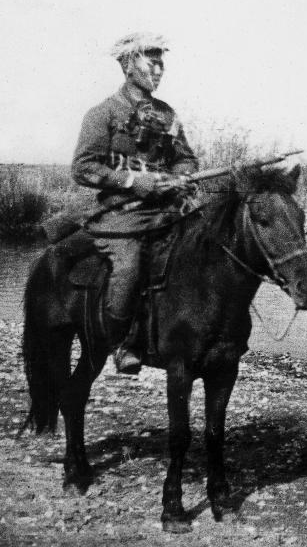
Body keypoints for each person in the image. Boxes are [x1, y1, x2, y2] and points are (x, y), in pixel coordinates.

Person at [72, 32, 198, 374]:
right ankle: (121, 340)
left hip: (166, 211)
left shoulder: (167, 114)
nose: (159, 70)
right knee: (129, 266)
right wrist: (132, 181)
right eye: (151, 62)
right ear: (129, 66)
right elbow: (83, 168)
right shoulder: (103, 114)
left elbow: (186, 158)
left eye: (162, 64)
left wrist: (182, 175)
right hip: (121, 216)